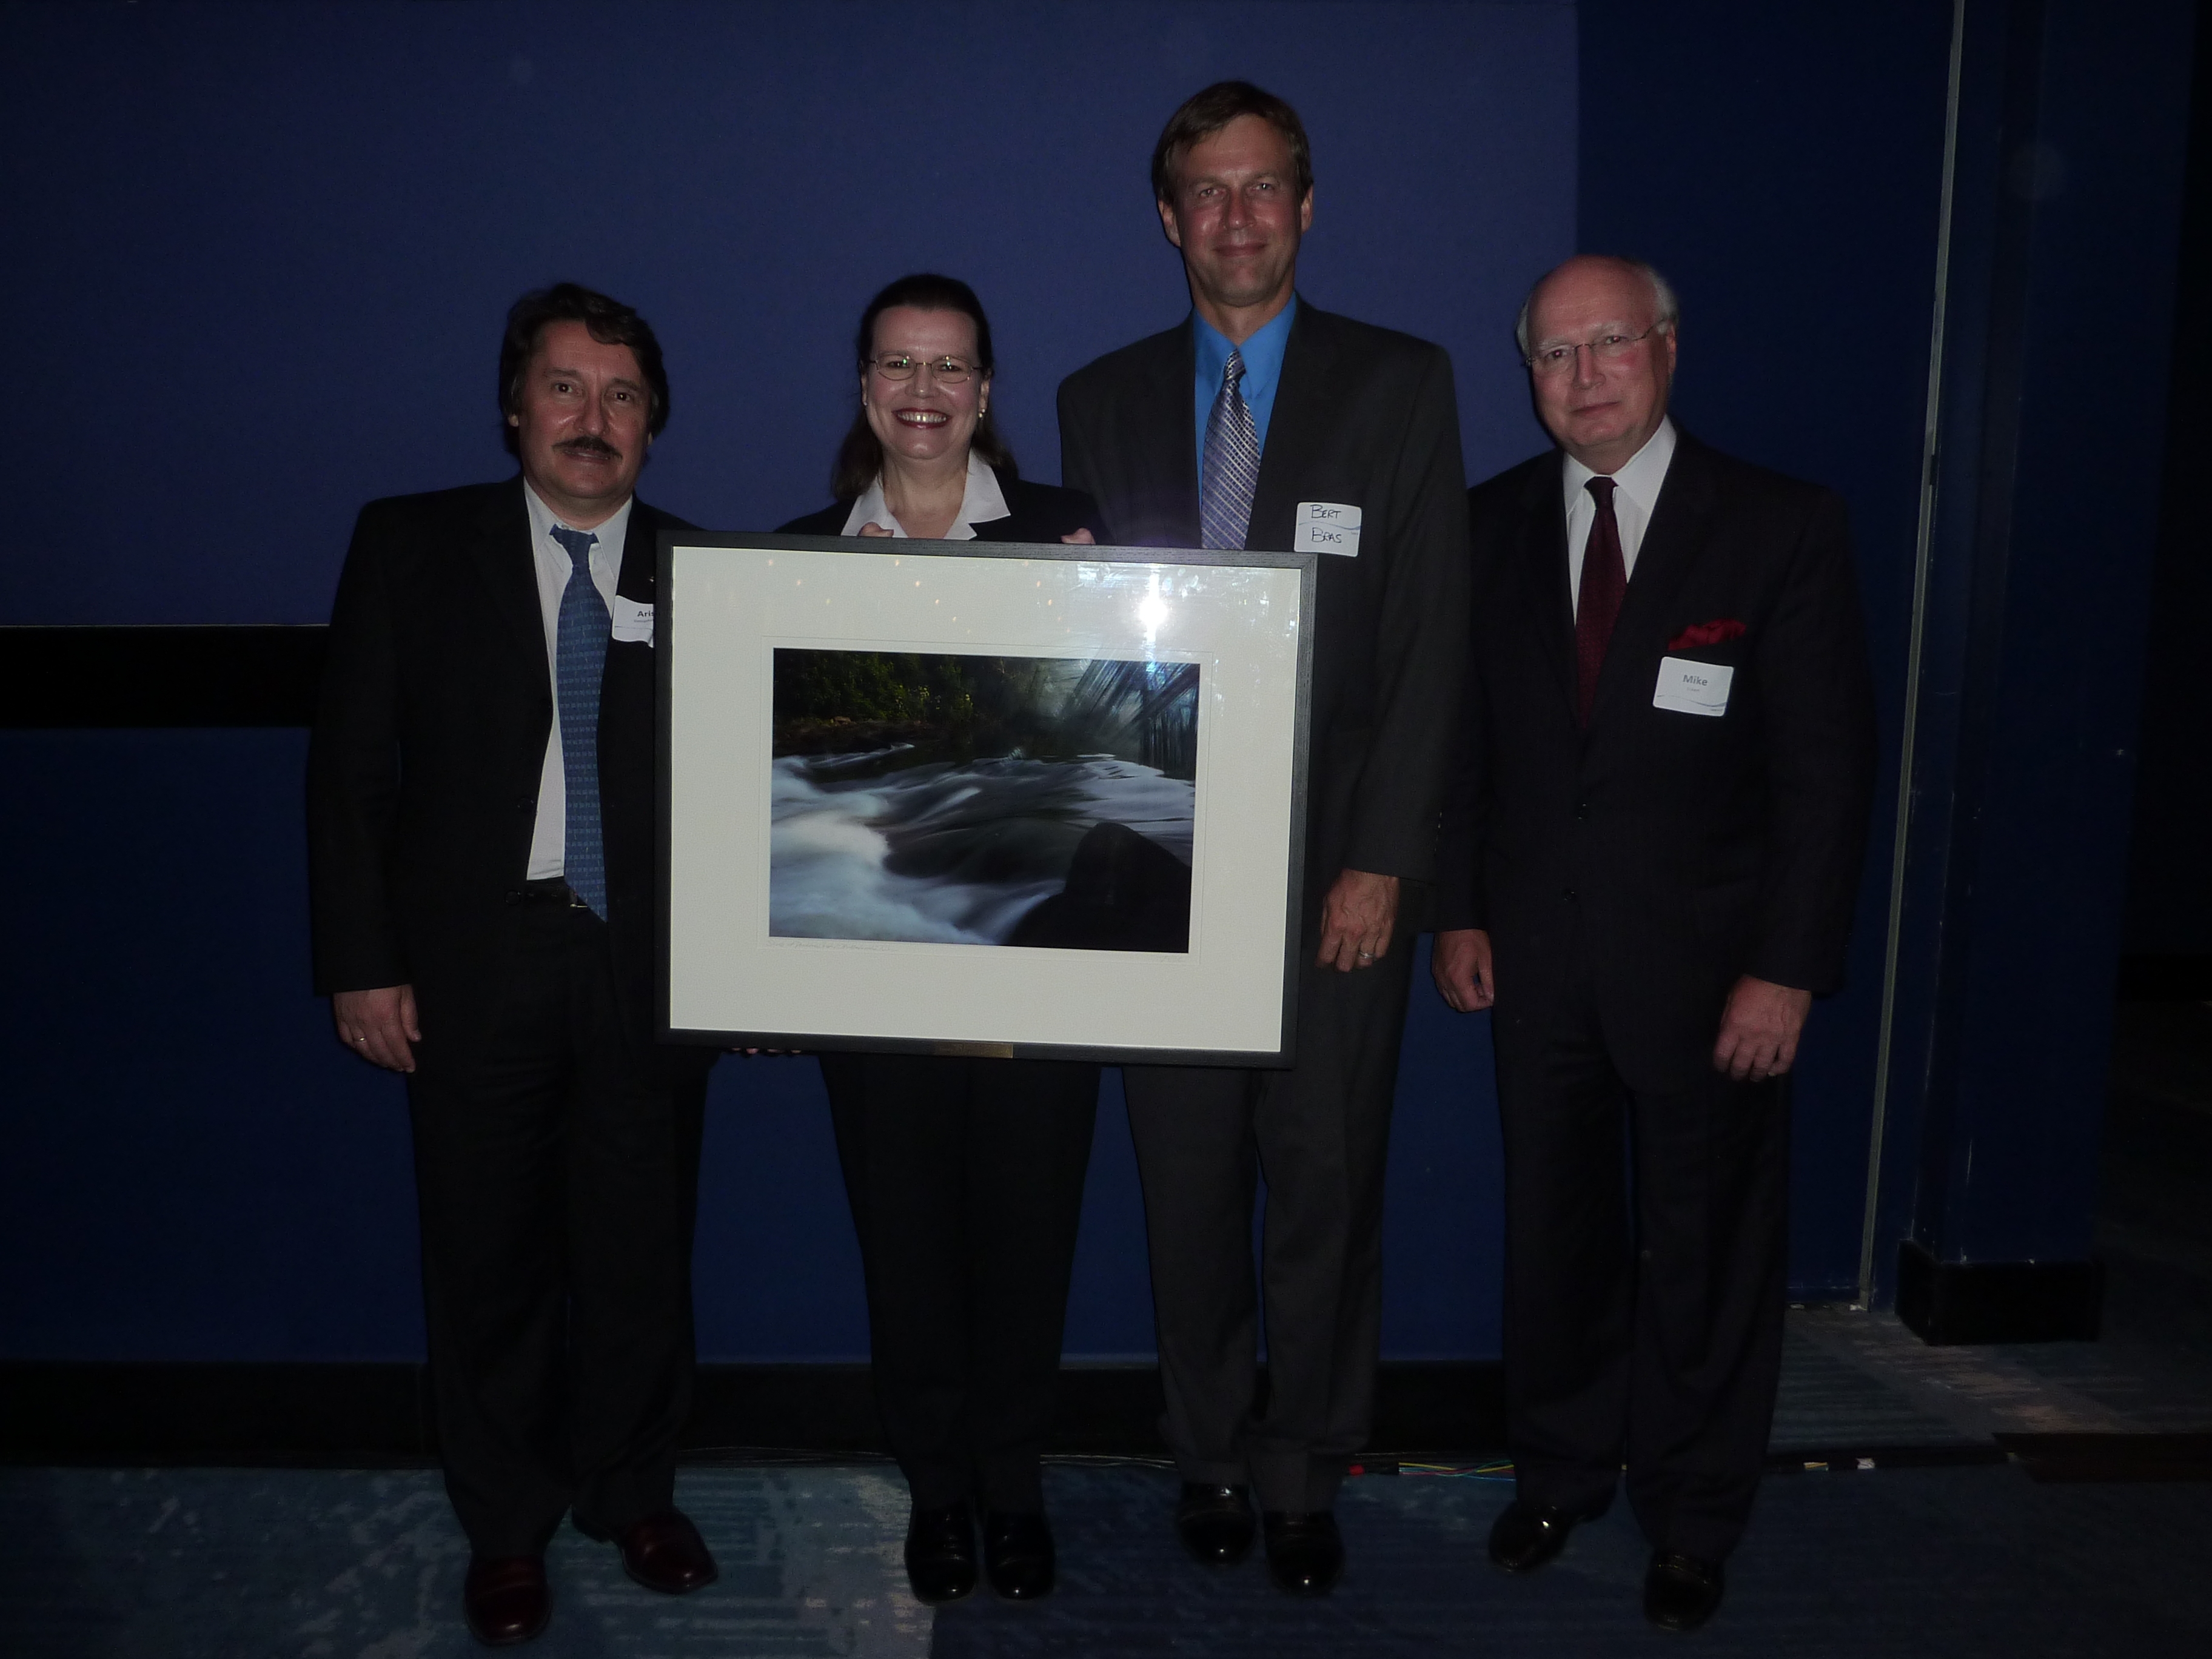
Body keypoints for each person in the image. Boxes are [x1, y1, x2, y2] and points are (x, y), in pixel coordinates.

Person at [1057, 83, 1469, 1595]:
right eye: (1206, 193)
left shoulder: (1401, 383)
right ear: (1168, 219)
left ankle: (1310, 1467)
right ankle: (1211, 1454)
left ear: (1309, 203)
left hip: (1334, 883)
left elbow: (1431, 643)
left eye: (1264, 188)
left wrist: (1385, 860)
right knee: (1184, 1192)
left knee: (1325, 1184)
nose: (1236, 218)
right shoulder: (1094, 399)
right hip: (1159, 868)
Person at [1432, 255, 1877, 1632]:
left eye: (1610, 344)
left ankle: (1694, 1512)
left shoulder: (1778, 525)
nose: (1583, 378)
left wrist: (1790, 966)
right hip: (1537, 962)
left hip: (1715, 975)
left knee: (1708, 1248)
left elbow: (1827, 772)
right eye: (1555, 355)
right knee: (1553, 1237)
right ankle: (1561, 1473)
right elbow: (1464, 748)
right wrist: (1458, 905)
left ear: (1669, 350)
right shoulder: (1486, 523)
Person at [307, 283, 720, 1646]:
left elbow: (745, 796)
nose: (591, 420)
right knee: (485, 1255)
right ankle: (507, 1523)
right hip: (476, 962)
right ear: (514, 406)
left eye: (620, 395)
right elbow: (353, 773)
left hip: (649, 967)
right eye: (564, 388)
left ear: (653, 420)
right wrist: (361, 963)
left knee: (640, 1246)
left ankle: (632, 1490)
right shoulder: (411, 549)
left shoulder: (706, 573)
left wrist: (752, 970)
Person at [782, 272, 1107, 1606]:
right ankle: (936, 1487)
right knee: (905, 1237)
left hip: (1034, 948)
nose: (924, 392)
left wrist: (1104, 627)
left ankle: (1015, 1488)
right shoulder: (799, 555)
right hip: (872, 951)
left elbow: (1113, 746)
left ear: (985, 392)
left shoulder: (1070, 532)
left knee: (1029, 1233)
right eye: (898, 367)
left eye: (950, 368)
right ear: (867, 389)